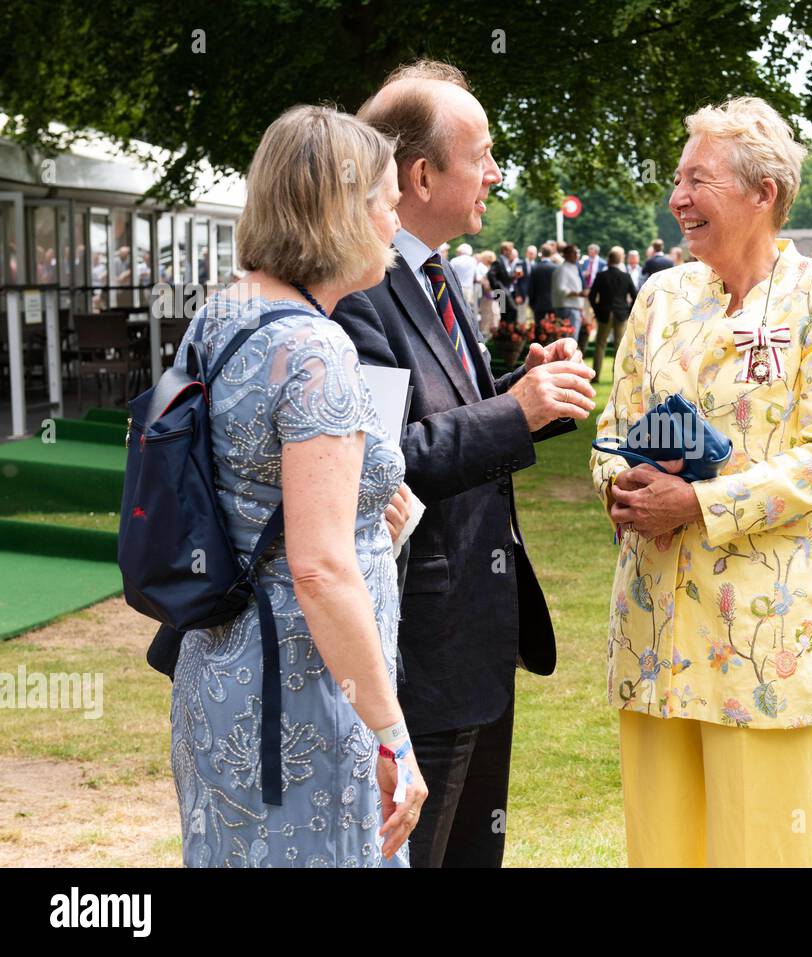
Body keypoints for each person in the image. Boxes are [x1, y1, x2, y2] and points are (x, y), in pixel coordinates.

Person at [591, 96, 812, 868]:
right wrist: (623, 487)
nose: (678, 197)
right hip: (653, 635)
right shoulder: (658, 297)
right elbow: (612, 433)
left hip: (762, 643)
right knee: (663, 851)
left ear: (764, 193)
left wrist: (699, 502)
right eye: (677, 179)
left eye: (699, 180)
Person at [333, 60, 596, 868]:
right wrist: (514, 408)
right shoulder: (359, 288)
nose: (495, 173)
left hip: (476, 637)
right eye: (480, 154)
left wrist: (529, 393)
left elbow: (448, 420)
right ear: (419, 173)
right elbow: (381, 465)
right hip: (422, 643)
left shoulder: (434, 270)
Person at [170, 104, 428, 868]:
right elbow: (317, 568)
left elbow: (240, 484)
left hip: (219, 673)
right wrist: (391, 734)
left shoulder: (222, 312)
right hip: (305, 695)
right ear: (343, 212)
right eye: (387, 201)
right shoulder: (317, 350)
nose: (393, 220)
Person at [588, 245, 637, 383]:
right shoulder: (625, 276)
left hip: (604, 313)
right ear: (620, 260)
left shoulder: (601, 276)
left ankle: (595, 376)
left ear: (609, 260)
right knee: (619, 346)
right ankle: (616, 377)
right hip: (621, 314)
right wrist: (628, 311)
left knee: (600, 345)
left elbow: (591, 296)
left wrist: (597, 310)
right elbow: (635, 296)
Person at [551, 242, 586, 343]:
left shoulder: (573, 268)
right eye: (574, 252)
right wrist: (579, 294)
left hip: (573, 308)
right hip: (567, 309)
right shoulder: (563, 269)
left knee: (572, 340)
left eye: (577, 252)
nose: (577, 255)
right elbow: (560, 289)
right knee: (569, 340)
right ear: (566, 255)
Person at [529, 241, 558, 324]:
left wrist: (531, 303)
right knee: (554, 329)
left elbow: (531, 288)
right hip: (554, 303)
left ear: (541, 253)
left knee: (539, 328)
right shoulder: (556, 268)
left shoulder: (535, 268)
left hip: (538, 303)